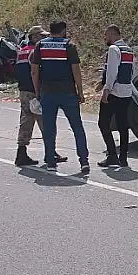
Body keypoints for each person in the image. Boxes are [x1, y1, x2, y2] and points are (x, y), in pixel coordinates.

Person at [30, 20, 89, 174]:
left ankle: (51, 161)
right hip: (68, 92)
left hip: (47, 92)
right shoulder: (69, 45)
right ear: (63, 31)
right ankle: (84, 161)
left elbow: (34, 72)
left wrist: (37, 92)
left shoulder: (40, 46)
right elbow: (76, 70)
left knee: (49, 128)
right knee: (77, 127)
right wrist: (80, 91)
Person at [13, 25, 66, 167]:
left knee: (25, 122)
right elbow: (38, 72)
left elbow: (17, 71)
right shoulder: (37, 52)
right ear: (35, 37)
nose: (44, 39)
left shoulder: (21, 52)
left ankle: (21, 153)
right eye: (42, 36)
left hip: (24, 91)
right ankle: (51, 153)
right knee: (47, 123)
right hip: (37, 92)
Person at [97, 24, 134, 168]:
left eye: (106, 35)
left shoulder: (114, 49)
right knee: (122, 124)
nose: (105, 38)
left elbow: (112, 71)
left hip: (114, 92)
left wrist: (106, 90)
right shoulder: (129, 50)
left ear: (112, 34)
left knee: (103, 123)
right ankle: (123, 158)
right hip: (127, 92)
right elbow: (131, 72)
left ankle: (112, 155)